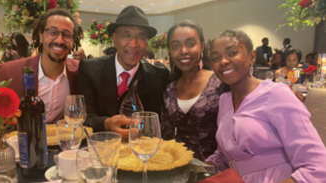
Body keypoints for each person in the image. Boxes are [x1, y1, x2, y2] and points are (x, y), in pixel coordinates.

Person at [206, 29, 326, 183]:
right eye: (216, 58)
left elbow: (318, 165)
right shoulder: (224, 100)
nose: (223, 61)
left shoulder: (277, 94)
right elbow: (226, 154)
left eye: (232, 53)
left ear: (252, 56)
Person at [77, 5, 170, 138]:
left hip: (141, 149)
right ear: (115, 39)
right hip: (101, 149)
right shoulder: (90, 69)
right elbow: (83, 116)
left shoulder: (159, 76)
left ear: (146, 42)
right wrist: (106, 123)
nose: (133, 44)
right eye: (126, 35)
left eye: (140, 36)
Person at [0, 8, 84, 124]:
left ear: (73, 41)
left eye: (67, 35)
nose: (60, 40)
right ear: (41, 36)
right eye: (52, 32)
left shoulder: (81, 72)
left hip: (63, 140)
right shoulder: (10, 72)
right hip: (22, 140)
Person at [160, 20, 223, 161]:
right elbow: (166, 136)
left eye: (190, 44)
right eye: (175, 46)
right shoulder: (170, 89)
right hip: (179, 166)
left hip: (216, 168)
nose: (183, 51)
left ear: (202, 47)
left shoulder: (219, 83)